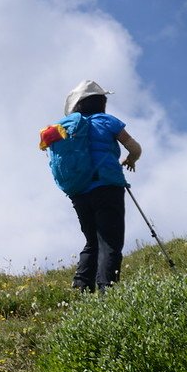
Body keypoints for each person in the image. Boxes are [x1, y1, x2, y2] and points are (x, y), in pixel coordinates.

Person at [63, 81, 142, 294]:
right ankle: (108, 292)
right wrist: (130, 159)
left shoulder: (67, 127)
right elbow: (134, 147)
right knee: (110, 241)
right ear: (101, 102)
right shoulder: (107, 121)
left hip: (79, 191)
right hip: (107, 188)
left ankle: (82, 288)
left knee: (91, 241)